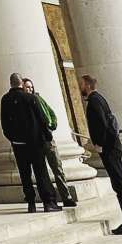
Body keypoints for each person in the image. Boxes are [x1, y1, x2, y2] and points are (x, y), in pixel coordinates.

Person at [80, 73, 122, 235]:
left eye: (82, 84)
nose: (80, 87)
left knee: (119, 184)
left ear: (87, 85)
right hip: (113, 146)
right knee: (121, 182)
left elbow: (101, 124)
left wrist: (99, 144)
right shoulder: (100, 98)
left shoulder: (94, 101)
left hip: (108, 148)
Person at [0, 71, 61, 213]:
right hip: (35, 143)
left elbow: (4, 123)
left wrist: (12, 138)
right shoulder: (30, 98)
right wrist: (47, 137)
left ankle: (31, 203)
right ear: (21, 83)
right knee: (41, 173)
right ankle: (48, 202)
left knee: (25, 174)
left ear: (11, 84)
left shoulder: (5, 100)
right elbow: (42, 119)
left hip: (18, 144)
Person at [21, 77, 76, 208]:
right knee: (43, 172)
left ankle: (66, 196)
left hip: (47, 139)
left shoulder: (38, 99)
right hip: (36, 142)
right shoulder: (23, 104)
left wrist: (51, 125)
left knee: (57, 167)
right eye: (27, 87)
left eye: (31, 87)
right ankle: (51, 200)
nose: (30, 89)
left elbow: (50, 113)